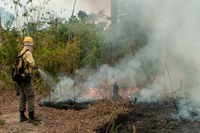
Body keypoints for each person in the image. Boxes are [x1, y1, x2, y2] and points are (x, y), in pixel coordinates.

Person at [17, 36, 39, 123]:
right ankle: (31, 116)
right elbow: (32, 64)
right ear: (30, 44)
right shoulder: (28, 53)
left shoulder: (20, 52)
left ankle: (22, 116)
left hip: (19, 78)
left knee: (22, 96)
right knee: (30, 96)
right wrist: (35, 67)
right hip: (26, 78)